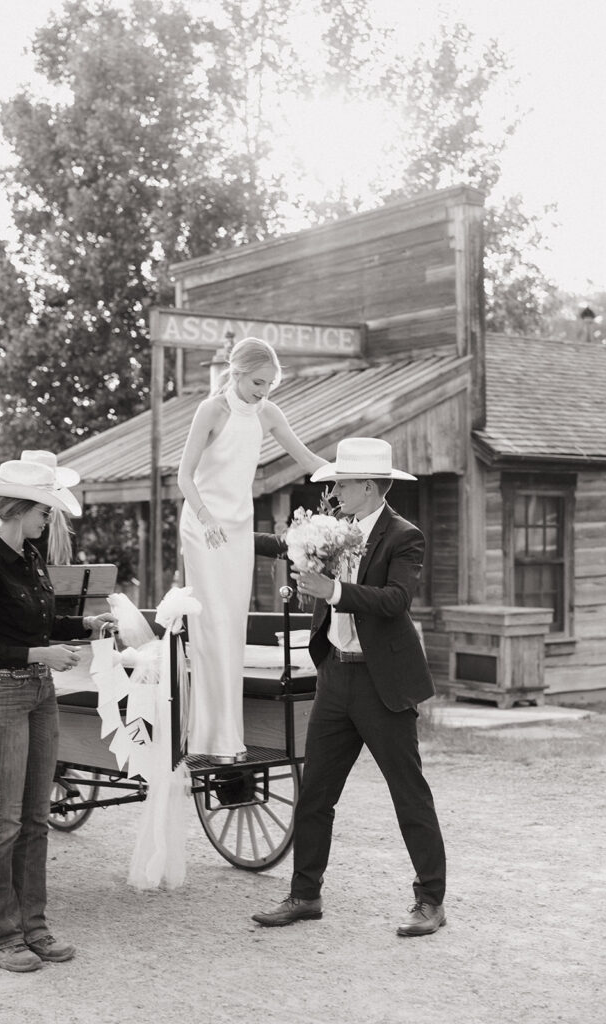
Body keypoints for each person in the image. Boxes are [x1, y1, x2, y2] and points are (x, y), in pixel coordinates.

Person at [251, 437, 447, 937]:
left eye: (341, 482)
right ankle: (304, 895)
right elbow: (283, 545)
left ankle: (430, 901)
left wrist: (333, 591)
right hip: (335, 675)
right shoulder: (329, 529)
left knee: (409, 795)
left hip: (383, 682)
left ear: (367, 486)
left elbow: (396, 600)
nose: (334, 488)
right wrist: (226, 532)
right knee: (315, 793)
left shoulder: (405, 535)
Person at [0, 456, 115, 972]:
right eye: (43, 513)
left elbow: (39, 623)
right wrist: (36, 656)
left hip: (40, 693)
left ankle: (34, 927)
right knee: (5, 822)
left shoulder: (29, 557)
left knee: (36, 818)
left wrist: (86, 625)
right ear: (19, 510)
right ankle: (2, 937)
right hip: (2, 694)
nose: (48, 522)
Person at [177, 337, 326, 764]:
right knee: (213, 623)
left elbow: (307, 459)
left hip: (239, 528)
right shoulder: (211, 410)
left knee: (233, 625)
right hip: (204, 526)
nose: (264, 391)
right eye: (259, 382)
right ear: (237, 372)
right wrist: (207, 520)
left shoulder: (268, 413)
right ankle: (208, 737)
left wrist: (344, 473)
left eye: (271, 384)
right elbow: (184, 477)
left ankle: (229, 735)